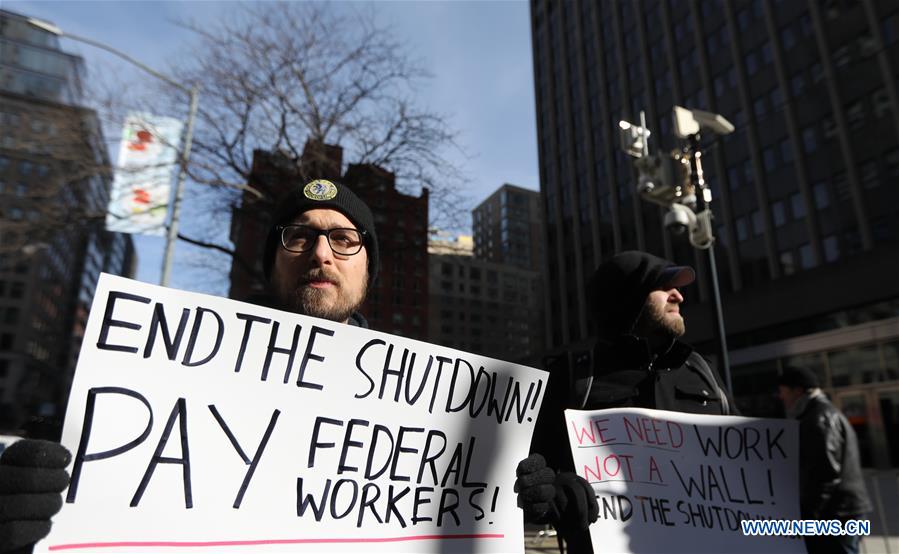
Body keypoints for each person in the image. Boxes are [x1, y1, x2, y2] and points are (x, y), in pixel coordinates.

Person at [0, 179, 379, 553]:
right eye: (299, 236)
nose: (321, 254)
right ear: (272, 263)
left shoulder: (410, 409)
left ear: (368, 268)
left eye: (344, 239)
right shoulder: (162, 384)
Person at [516, 250, 736, 554]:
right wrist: (556, 487)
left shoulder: (703, 371)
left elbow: (744, 465)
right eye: (664, 286)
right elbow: (528, 470)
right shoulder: (573, 376)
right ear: (627, 298)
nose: (679, 296)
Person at [777, 366, 872, 554]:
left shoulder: (819, 417)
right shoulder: (821, 413)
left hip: (837, 514)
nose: (781, 398)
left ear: (798, 390)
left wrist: (809, 516)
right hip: (841, 511)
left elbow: (825, 473)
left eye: (783, 392)